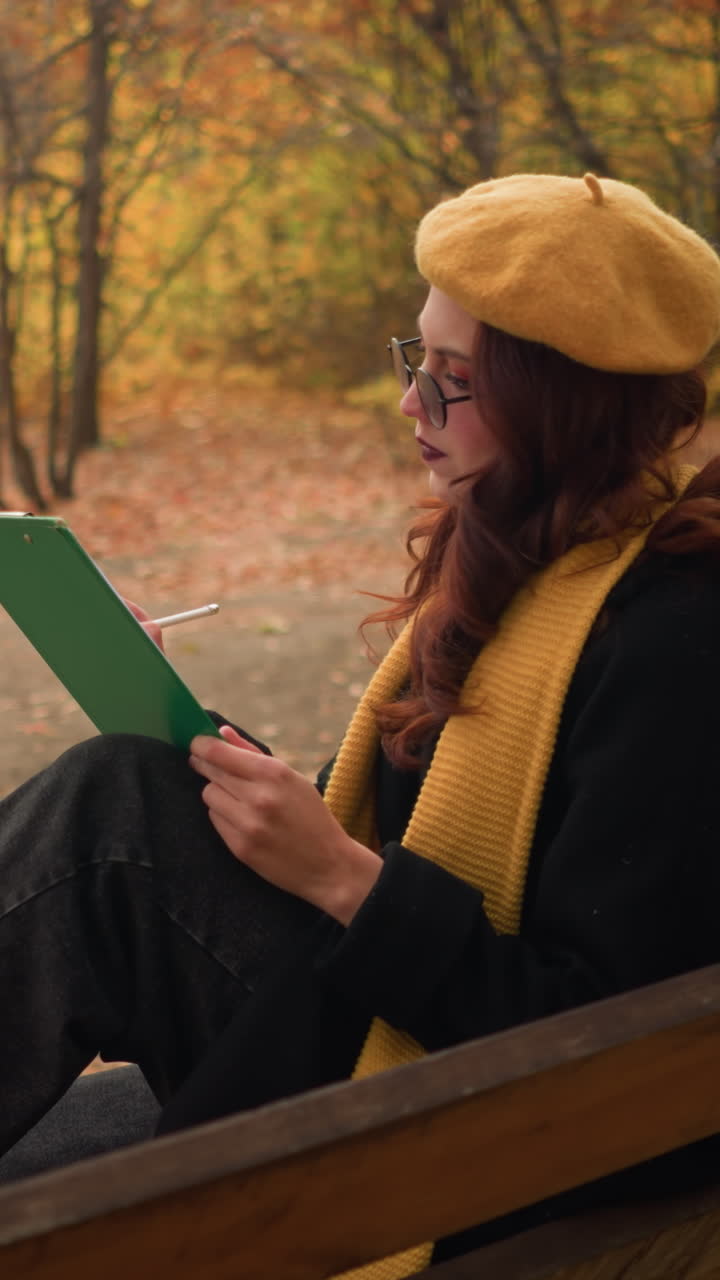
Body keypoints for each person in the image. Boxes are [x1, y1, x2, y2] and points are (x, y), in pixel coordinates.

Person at [2, 170, 720, 1276]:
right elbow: (386, 821)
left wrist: (345, 879)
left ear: (566, 401)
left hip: (505, 1127)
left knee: (114, 818)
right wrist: (196, 730)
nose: (409, 407)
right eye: (415, 362)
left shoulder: (675, 638)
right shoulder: (535, 552)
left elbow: (604, 1042)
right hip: (387, 1015)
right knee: (134, 779)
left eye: (455, 381)